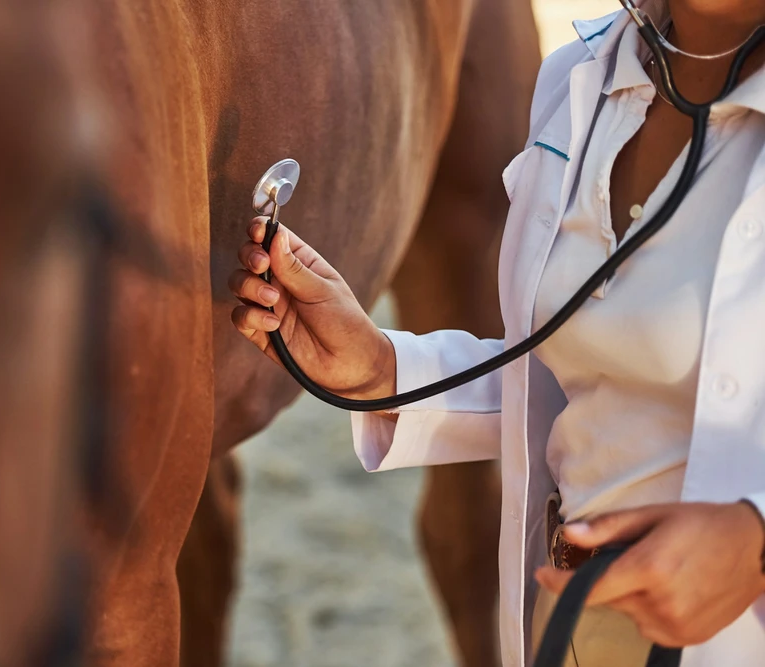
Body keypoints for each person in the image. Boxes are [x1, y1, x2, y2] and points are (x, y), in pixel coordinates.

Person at [229, 1, 765, 665]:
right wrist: (384, 369)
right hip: (565, 618)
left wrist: (755, 544)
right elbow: (567, 382)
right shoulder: (581, 79)